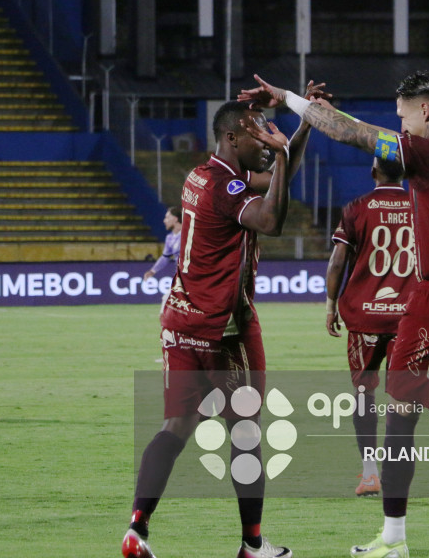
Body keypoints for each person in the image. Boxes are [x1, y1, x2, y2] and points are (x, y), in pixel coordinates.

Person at [240, 71, 429, 558]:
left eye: (404, 117)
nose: (401, 126)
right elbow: (373, 137)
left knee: (400, 423)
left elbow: (353, 133)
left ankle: (393, 539)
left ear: (426, 110)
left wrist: (289, 99)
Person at [121, 97, 319, 558]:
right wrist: (283, 153)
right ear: (232, 137)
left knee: (175, 426)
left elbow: (278, 177)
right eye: (258, 133)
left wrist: (303, 128)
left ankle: (136, 528)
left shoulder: (203, 175)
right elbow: (270, 219)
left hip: (181, 322)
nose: (266, 140)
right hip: (224, 330)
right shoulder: (228, 190)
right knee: (246, 434)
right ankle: (252, 545)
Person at [325, 157, 414, 497]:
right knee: (403, 398)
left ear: (373, 171)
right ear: (405, 173)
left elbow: (338, 262)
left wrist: (331, 305)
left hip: (364, 317)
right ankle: (396, 472)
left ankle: (370, 473)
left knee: (364, 393)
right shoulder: (422, 208)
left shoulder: (356, 208)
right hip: (408, 318)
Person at [143, 207, 183, 283]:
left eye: (167, 217)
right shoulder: (170, 238)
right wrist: (152, 271)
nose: (164, 221)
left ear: (175, 219)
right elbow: (165, 257)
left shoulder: (189, 234)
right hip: (181, 277)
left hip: (194, 276)